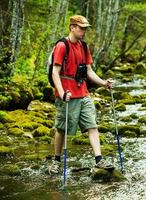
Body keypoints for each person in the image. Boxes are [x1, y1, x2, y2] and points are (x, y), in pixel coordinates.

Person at [48, 15, 114, 174]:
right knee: (62, 129)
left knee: (92, 125)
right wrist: (62, 93)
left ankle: (99, 160)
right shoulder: (62, 46)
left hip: (83, 92)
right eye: (81, 28)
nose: (84, 31)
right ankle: (56, 161)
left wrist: (104, 83)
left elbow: (89, 72)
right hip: (67, 94)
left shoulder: (84, 47)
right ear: (72, 27)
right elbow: (55, 73)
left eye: (85, 28)